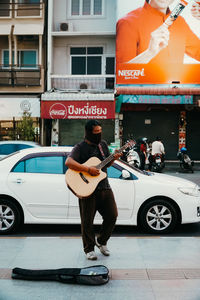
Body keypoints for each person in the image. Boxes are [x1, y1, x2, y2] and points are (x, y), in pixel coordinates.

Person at [65, 120, 122, 261]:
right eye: (96, 132)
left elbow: (106, 164)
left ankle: (102, 241)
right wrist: (88, 169)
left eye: (100, 131)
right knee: (87, 221)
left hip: (104, 187)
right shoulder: (80, 147)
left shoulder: (102, 145)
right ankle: (89, 249)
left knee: (112, 215)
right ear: (88, 132)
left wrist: (114, 158)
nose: (99, 134)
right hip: (88, 189)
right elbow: (69, 162)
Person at [116, 0, 200, 65]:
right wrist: (150, 53)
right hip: (144, 87)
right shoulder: (127, 23)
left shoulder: (180, 22)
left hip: (178, 87)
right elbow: (122, 74)